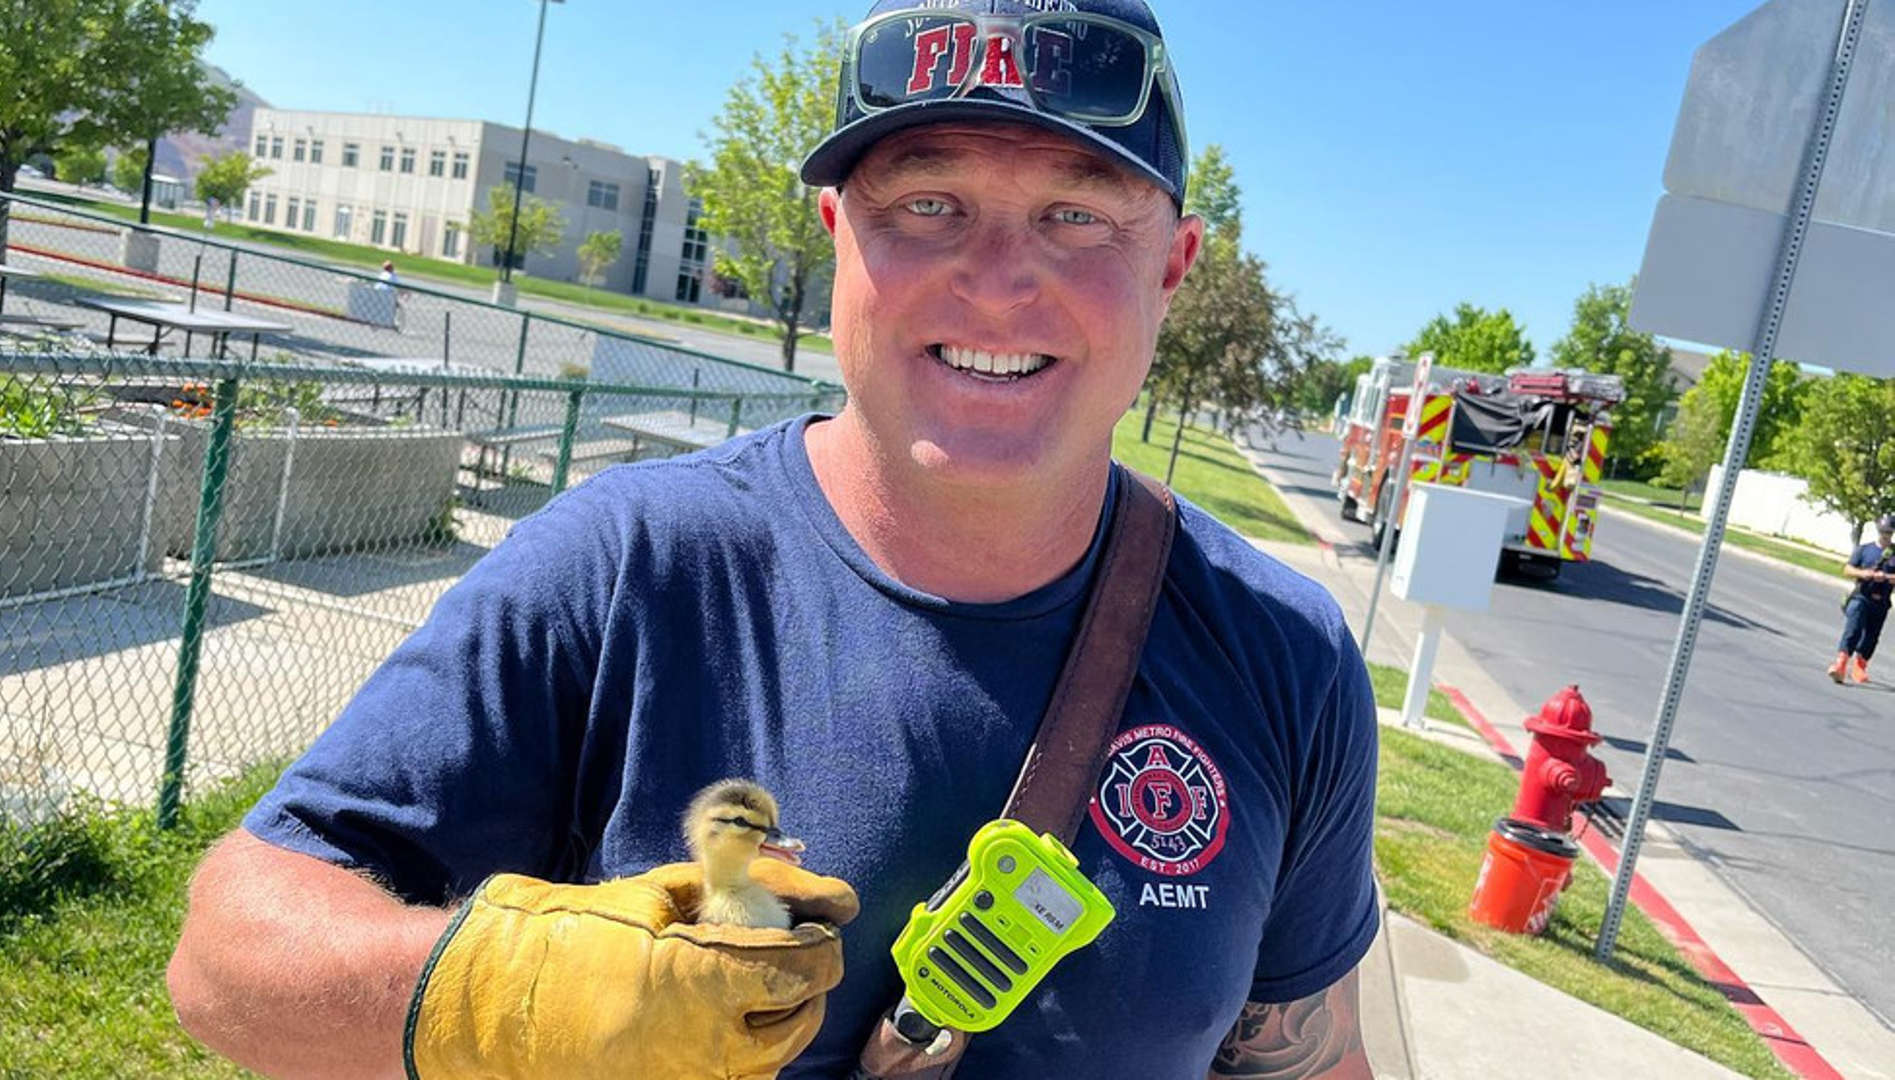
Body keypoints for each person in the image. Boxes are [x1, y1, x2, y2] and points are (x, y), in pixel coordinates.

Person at [166, 2, 1380, 1078]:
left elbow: (1302, 1050)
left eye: (1075, 214)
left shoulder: (1283, 654)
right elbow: (227, 957)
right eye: (927, 203)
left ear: (1172, 266)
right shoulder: (628, 565)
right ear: (835, 233)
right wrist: (506, 1001)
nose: (999, 281)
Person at [1830, 513, 1895, 684]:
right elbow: (1848, 569)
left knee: (1871, 636)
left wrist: (1887, 577)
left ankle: (1860, 667)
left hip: (1881, 601)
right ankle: (1840, 665)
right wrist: (1864, 573)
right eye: (1883, 531)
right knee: (1853, 629)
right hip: (1862, 597)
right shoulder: (1864, 549)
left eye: (1889, 531)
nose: (1886, 535)